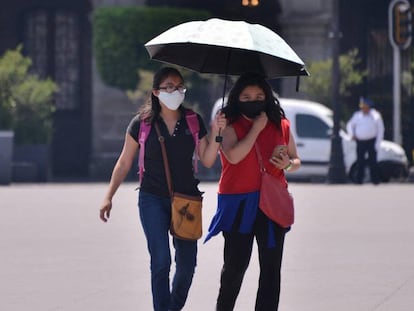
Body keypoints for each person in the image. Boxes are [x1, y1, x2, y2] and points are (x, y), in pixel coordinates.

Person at [99, 67, 226, 311]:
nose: (175, 91)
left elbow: (208, 160)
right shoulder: (142, 124)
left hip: (186, 199)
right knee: (161, 260)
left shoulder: (193, 120)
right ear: (156, 92)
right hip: (152, 199)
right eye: (169, 86)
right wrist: (109, 196)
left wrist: (218, 132)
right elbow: (125, 161)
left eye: (179, 86)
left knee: (187, 265)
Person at [205, 73, 301, 311]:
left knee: (271, 270)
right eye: (246, 96)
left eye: (259, 96)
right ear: (237, 97)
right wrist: (256, 129)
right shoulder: (228, 124)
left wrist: (287, 165)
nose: (253, 100)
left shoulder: (281, 124)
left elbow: (296, 159)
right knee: (234, 268)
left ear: (267, 97)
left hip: (271, 204)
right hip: (238, 204)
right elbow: (234, 156)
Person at [346, 97, 384, 184]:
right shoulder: (357, 115)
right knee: (360, 161)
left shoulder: (375, 116)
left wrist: (378, 143)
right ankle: (359, 180)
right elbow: (350, 125)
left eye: (365, 107)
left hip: (371, 141)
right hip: (360, 141)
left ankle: (375, 180)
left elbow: (380, 129)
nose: (363, 109)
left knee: (373, 161)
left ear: (368, 107)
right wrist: (352, 135)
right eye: (362, 107)